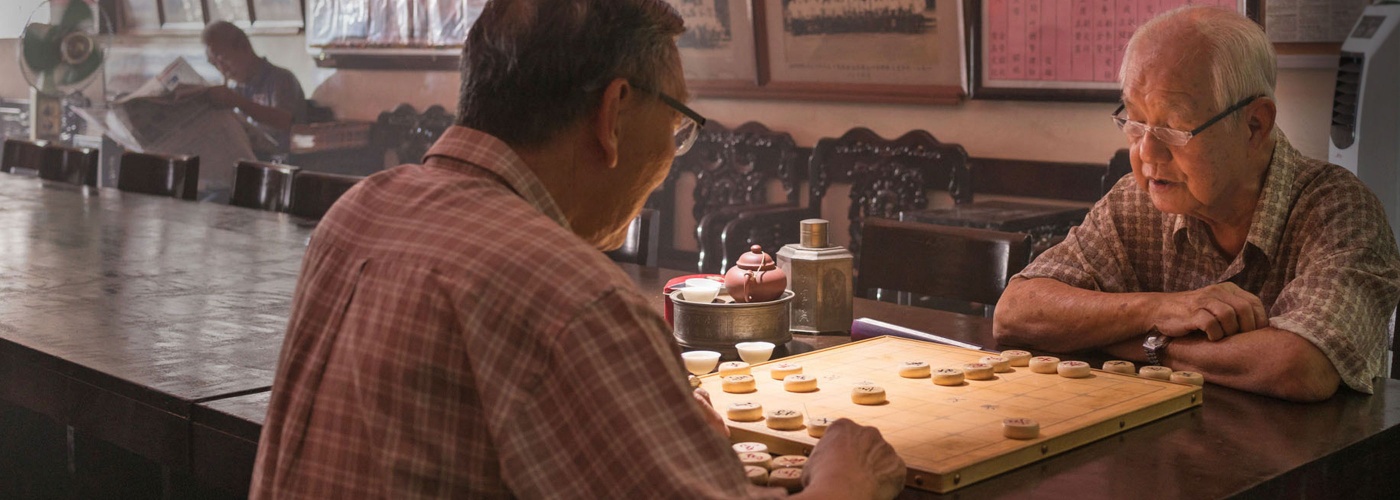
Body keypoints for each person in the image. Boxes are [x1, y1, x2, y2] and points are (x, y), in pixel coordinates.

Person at [249, 0, 906, 498]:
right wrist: (842, 484)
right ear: (614, 113)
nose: (669, 159)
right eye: (677, 128)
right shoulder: (574, 295)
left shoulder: (359, 211)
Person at [993, 6, 1400, 403]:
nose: (1147, 153)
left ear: (1255, 126)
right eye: (1134, 122)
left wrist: (1144, 344)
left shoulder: (1341, 211)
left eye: (1173, 127)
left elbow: (1300, 365)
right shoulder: (1138, 201)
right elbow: (1016, 311)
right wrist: (1160, 309)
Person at [201, 20, 307, 162]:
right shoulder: (235, 88)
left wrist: (239, 103)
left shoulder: (281, 79)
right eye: (214, 64)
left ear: (244, 47)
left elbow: (284, 121)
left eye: (223, 59)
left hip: (284, 163)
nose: (222, 69)